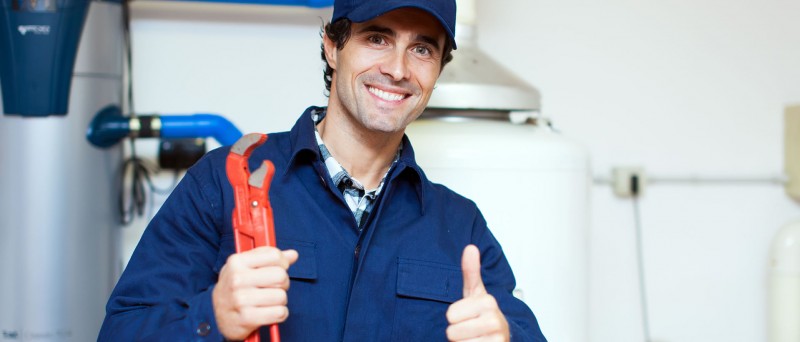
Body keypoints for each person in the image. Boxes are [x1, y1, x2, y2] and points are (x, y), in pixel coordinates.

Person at [99, 0, 547, 341]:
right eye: (377, 38)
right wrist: (210, 317)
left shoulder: (459, 224)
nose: (397, 69)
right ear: (333, 46)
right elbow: (122, 329)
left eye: (422, 48)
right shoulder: (224, 181)